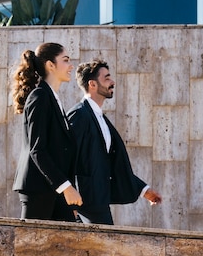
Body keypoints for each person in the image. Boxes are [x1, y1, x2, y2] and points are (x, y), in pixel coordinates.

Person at [66, 58, 162, 225]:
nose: (112, 82)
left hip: (98, 198)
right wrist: (68, 202)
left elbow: (112, 163)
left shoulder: (100, 117)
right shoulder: (80, 115)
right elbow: (66, 157)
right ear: (92, 84)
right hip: (85, 201)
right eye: (107, 78)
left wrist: (143, 190)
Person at [11, 42, 82, 221]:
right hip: (39, 189)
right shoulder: (40, 97)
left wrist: (69, 198)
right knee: (30, 247)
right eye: (65, 60)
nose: (70, 66)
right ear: (51, 65)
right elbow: (37, 150)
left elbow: (61, 153)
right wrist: (66, 187)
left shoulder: (53, 99)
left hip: (55, 189)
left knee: (67, 245)